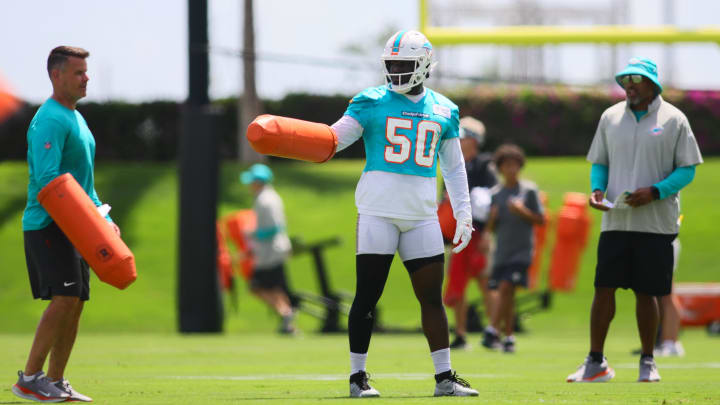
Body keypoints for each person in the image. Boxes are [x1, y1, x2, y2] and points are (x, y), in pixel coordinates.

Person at [329, 30, 478, 397]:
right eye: (391, 64)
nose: (395, 71)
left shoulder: (444, 108)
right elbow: (334, 138)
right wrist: (300, 139)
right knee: (367, 296)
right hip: (378, 212)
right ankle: (357, 377)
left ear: (424, 66)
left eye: (403, 65)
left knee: (431, 299)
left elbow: (455, 167)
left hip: (421, 216)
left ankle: (444, 378)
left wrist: (464, 213)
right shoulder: (371, 101)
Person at [567, 57, 703, 383]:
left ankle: (647, 361)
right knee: (603, 289)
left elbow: (687, 169)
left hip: (656, 222)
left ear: (652, 83)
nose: (629, 84)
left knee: (648, 293)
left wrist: (655, 192)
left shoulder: (675, 119)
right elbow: (599, 162)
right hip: (615, 219)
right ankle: (595, 362)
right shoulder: (610, 117)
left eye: (636, 79)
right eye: (626, 79)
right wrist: (597, 190)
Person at [13, 46, 119, 403]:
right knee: (64, 298)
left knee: (76, 301)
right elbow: (47, 180)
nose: (86, 77)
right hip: (48, 224)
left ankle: (55, 381)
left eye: (86, 71)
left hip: (78, 224)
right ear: (56, 75)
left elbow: (82, 184)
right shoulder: (50, 119)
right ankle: (29, 378)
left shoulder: (77, 117)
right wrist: (84, 219)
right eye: (78, 72)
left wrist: (102, 219)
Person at [480, 144, 544, 354]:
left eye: (515, 165)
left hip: (522, 251)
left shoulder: (529, 191)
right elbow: (491, 226)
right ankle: (509, 336)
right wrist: (491, 222)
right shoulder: (495, 194)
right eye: (507, 165)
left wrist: (521, 211)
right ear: (500, 168)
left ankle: (491, 329)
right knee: (506, 293)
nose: (511, 169)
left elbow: (540, 220)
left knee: (507, 287)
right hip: (502, 251)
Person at [443, 116, 498, 350]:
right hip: (457, 236)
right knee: (458, 284)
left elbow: (493, 203)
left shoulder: (486, 166)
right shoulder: (451, 165)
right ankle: (461, 334)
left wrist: (488, 234)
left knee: (487, 284)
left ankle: (493, 332)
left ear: (473, 139)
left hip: (480, 235)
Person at [240, 163, 297, 335]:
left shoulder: (266, 200)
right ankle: (287, 319)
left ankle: (286, 313)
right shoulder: (267, 197)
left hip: (270, 251)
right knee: (274, 287)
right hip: (270, 250)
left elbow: (274, 227)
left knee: (257, 286)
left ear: (258, 182)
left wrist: (253, 234)